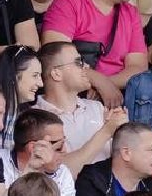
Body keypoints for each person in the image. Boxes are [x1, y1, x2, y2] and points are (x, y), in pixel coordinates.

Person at [41, 0, 148, 107]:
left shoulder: (130, 13)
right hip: (74, 95)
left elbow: (138, 67)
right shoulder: (68, 2)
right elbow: (54, 56)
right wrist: (97, 80)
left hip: (117, 97)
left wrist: (107, 84)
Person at [34, 41, 128, 173]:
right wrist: (106, 131)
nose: (87, 67)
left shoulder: (97, 107)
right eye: (79, 62)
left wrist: (120, 132)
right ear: (56, 74)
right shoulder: (34, 119)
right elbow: (60, 173)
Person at [0, 108, 75, 196]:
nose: (65, 151)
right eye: (59, 146)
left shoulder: (62, 173)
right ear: (33, 148)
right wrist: (31, 169)